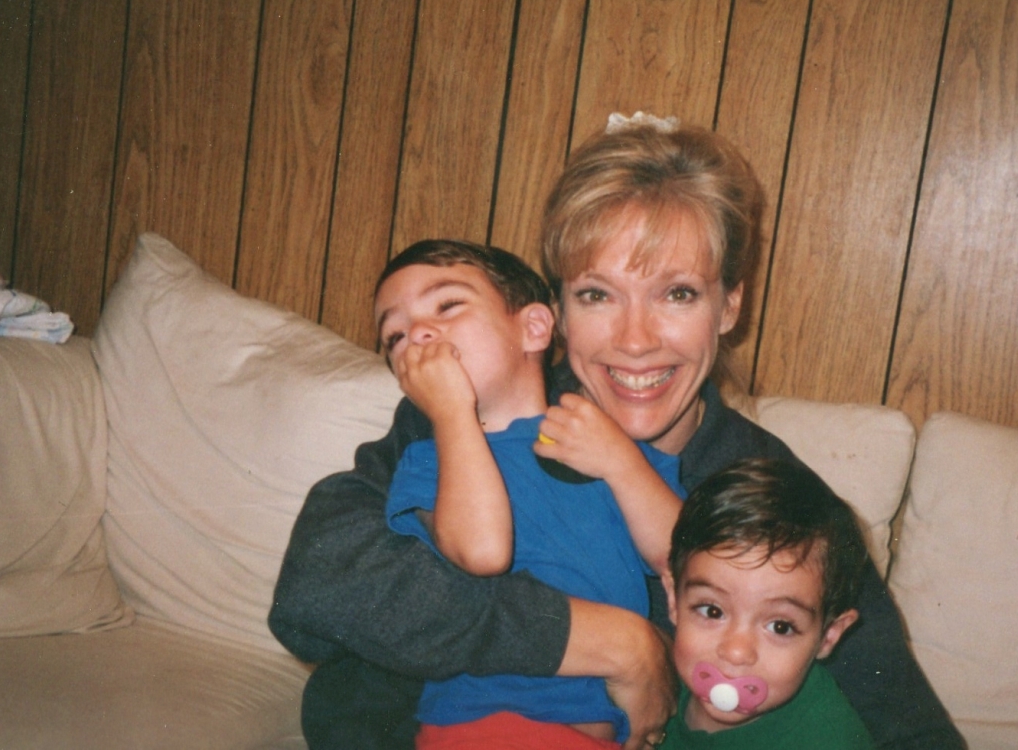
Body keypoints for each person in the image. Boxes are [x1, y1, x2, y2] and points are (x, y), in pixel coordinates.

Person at [269, 115, 964, 750]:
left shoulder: (775, 501)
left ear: (729, 306)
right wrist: (607, 640)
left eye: (678, 293)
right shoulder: (474, 415)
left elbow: (904, 722)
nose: (634, 341)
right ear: (554, 312)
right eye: (597, 294)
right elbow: (315, 585)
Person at [375, 239, 684, 748]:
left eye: (447, 305)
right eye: (395, 336)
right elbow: (483, 552)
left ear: (534, 328)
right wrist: (451, 411)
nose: (419, 334)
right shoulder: (429, 462)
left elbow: (684, 559)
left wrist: (622, 463)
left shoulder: (608, 444)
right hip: (486, 725)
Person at [658, 457, 872, 749]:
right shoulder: (652, 678)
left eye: (780, 627)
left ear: (828, 636)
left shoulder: (831, 740)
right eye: (712, 611)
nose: (736, 652)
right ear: (674, 599)